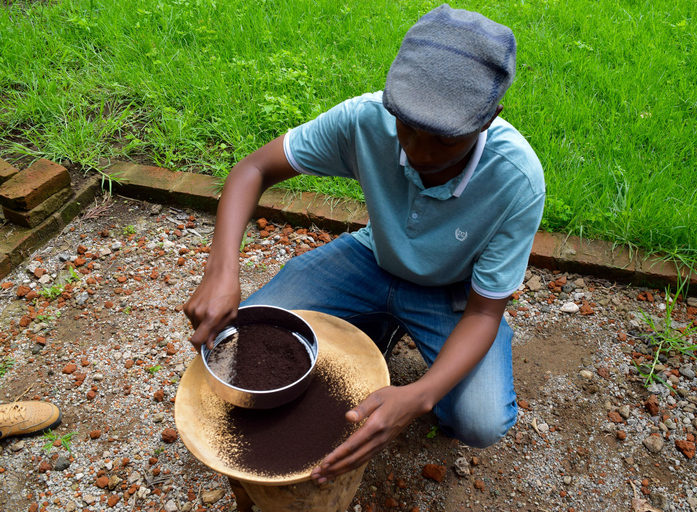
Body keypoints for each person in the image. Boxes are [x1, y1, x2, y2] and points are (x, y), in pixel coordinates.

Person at [184, 2, 544, 494]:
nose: (417, 150)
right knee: (245, 334)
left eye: (442, 139)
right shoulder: (367, 119)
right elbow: (254, 169)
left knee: (479, 421)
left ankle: (390, 329)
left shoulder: (517, 180)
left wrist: (417, 395)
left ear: (487, 119)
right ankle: (378, 325)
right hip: (371, 259)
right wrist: (221, 270)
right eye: (407, 125)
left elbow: (485, 313)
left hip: (452, 293)